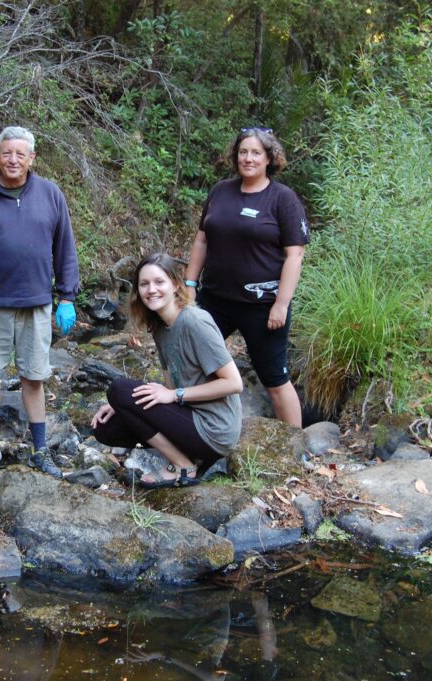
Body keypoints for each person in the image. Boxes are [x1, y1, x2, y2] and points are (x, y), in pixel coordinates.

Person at [0, 126, 80, 478]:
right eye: (7, 153)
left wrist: (67, 296)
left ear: (32, 158)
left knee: (34, 377)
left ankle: (39, 450)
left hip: (36, 303)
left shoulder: (51, 195)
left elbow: (65, 249)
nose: (13, 160)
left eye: (20, 154)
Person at [184, 127, 309, 427]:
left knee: (274, 378)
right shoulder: (220, 191)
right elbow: (201, 240)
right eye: (243, 152)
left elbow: (295, 256)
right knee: (192, 362)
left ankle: (296, 447)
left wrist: (281, 303)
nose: (248, 158)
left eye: (255, 153)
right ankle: (197, 431)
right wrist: (189, 285)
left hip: (262, 305)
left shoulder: (283, 199)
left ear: (269, 158)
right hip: (214, 300)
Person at [91, 254, 242, 488]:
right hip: (189, 418)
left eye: (159, 282)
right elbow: (169, 382)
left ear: (175, 284)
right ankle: (187, 455)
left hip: (215, 429)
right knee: (105, 428)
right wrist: (124, 404)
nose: (151, 290)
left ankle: (183, 465)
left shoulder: (195, 322)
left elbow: (234, 383)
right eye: (144, 284)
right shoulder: (160, 327)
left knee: (118, 387)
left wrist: (174, 395)